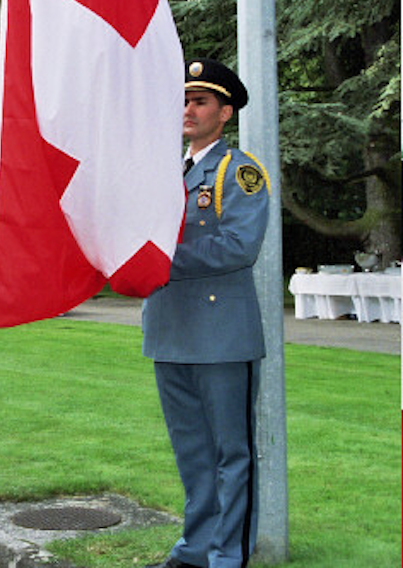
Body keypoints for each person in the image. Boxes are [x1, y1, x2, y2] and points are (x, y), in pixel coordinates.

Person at [142, 58, 271, 568]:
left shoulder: (238, 171)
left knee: (229, 455)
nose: (188, 109)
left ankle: (227, 556)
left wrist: (160, 260)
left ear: (226, 112)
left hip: (221, 335)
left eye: (200, 101)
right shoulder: (169, 170)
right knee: (193, 453)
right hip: (170, 328)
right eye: (185, 100)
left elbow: (238, 246)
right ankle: (195, 548)